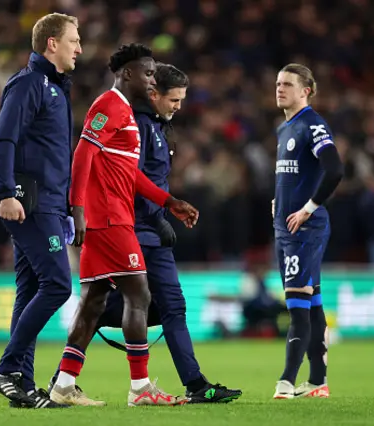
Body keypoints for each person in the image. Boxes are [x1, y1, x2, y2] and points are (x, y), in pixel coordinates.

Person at [47, 62, 242, 403]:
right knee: (147, 302)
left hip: (135, 226)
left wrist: (168, 204)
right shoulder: (128, 119)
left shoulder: (151, 125)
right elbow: (116, 175)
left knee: (112, 303)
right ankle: (147, 387)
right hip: (126, 227)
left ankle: (64, 380)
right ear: (153, 94)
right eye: (174, 100)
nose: (178, 107)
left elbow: (133, 177)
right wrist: (155, 216)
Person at [0, 12, 82, 409]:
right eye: (74, 40)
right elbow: (2, 141)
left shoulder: (56, 88)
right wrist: (5, 192)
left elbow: (54, 156)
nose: (80, 48)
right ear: (52, 44)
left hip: (49, 206)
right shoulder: (29, 83)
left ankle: (21, 384)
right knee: (59, 284)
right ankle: (8, 368)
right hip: (29, 204)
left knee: (29, 291)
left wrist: (67, 211)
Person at [271, 64, 344, 399]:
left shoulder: (312, 124)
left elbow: (334, 169)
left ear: (306, 90)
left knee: (297, 306)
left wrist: (308, 208)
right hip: (285, 228)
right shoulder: (285, 128)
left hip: (306, 228)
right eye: (278, 83)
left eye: (287, 84)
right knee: (312, 303)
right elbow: (295, 175)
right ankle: (317, 382)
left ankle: (286, 382)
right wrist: (280, 200)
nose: (280, 88)